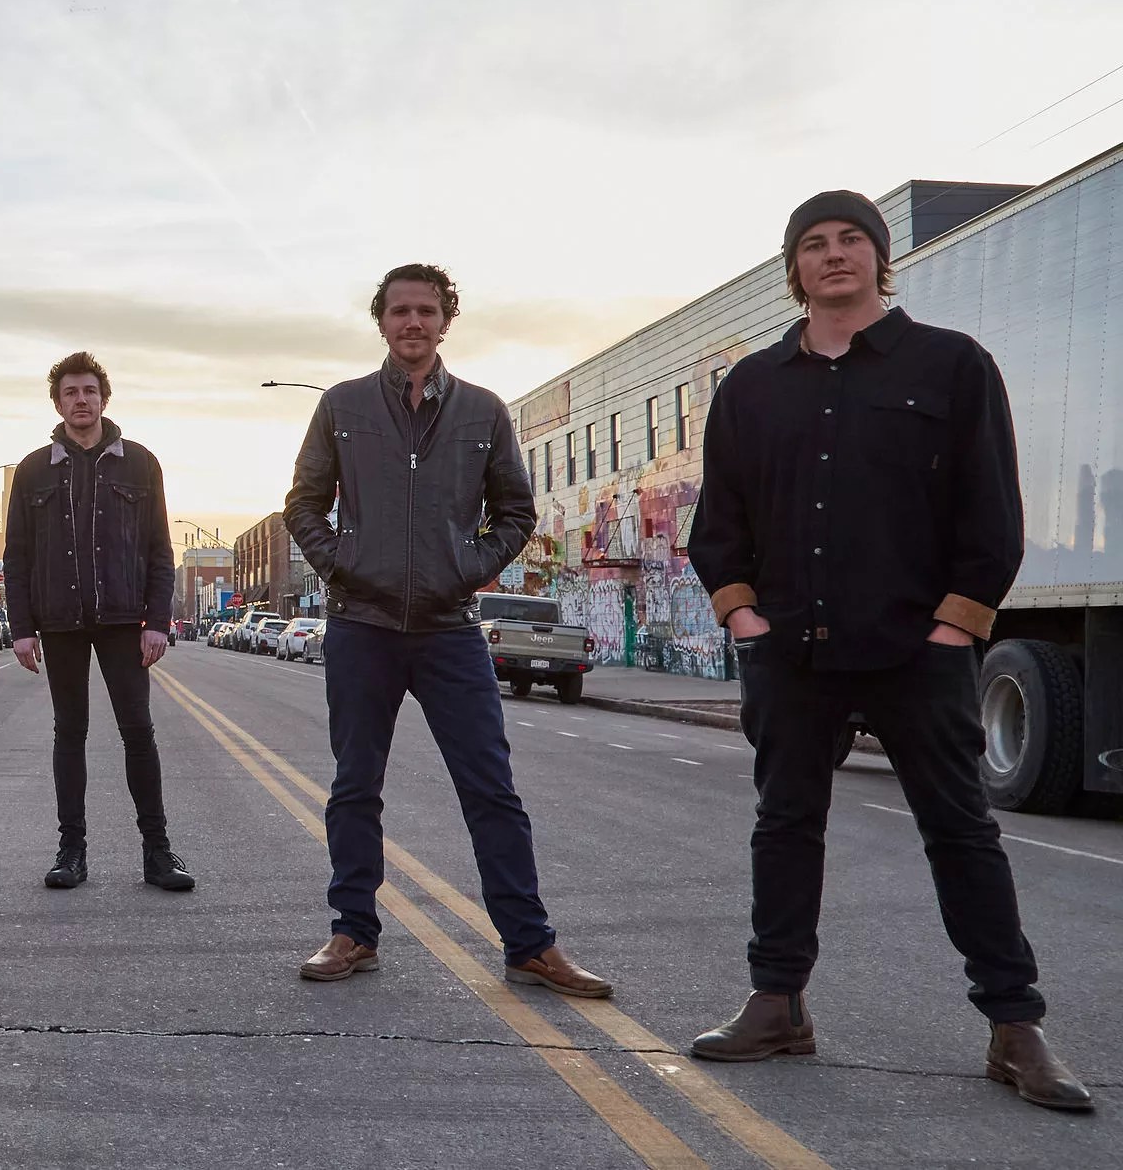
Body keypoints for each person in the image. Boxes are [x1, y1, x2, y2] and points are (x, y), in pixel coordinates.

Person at [688, 191, 1091, 1110]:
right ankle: (777, 1003)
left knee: (961, 830)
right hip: (790, 649)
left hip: (917, 648)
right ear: (794, 270)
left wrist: (955, 625)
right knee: (785, 824)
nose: (834, 254)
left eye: (852, 240)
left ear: (880, 257)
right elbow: (722, 519)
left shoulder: (951, 365)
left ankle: (1015, 1025)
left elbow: (992, 511)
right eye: (813, 244)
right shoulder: (751, 386)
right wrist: (744, 617)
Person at [283, 265, 612, 996]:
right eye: (400, 310)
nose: (413, 322)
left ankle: (530, 944)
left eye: (426, 311)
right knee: (354, 785)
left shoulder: (482, 411)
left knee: (491, 787)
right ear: (381, 320)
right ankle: (352, 931)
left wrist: (467, 568)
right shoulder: (341, 405)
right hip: (361, 625)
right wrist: (343, 565)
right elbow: (301, 503)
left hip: (451, 629)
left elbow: (516, 512)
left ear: (445, 321)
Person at [4, 351, 194, 892]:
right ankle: (71, 852)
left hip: (123, 621)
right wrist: (22, 628)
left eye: (89, 391)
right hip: (59, 622)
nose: (81, 400)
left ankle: (157, 853)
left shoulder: (140, 463)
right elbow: (17, 556)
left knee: (138, 732)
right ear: (58, 403)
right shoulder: (34, 470)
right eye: (70, 392)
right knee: (70, 733)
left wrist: (157, 620)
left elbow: (160, 549)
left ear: (103, 399)